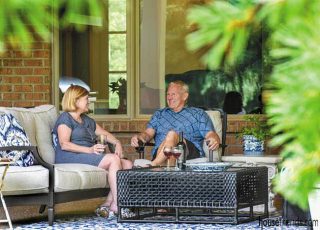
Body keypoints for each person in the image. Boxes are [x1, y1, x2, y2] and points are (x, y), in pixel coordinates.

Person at [52, 85, 132, 218]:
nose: (89, 101)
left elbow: (105, 134)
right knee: (113, 159)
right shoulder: (65, 118)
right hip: (70, 157)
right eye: (86, 98)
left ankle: (107, 205)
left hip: (86, 155)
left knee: (127, 164)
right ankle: (119, 206)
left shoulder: (86, 120)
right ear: (76, 101)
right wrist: (89, 149)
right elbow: (64, 144)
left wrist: (117, 143)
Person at [131, 80, 220, 166]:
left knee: (172, 134)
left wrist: (214, 139)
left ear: (185, 96)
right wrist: (139, 137)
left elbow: (210, 134)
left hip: (188, 153)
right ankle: (166, 173)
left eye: (173, 94)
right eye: (168, 94)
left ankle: (154, 165)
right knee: (170, 144)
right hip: (161, 152)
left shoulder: (198, 114)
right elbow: (147, 134)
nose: (169, 97)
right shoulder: (159, 114)